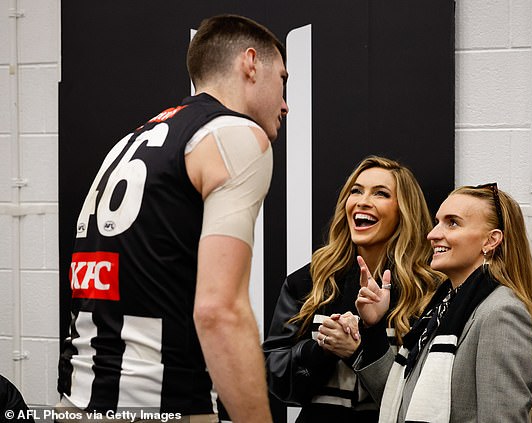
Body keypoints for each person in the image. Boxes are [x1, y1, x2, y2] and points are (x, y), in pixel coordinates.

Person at [57, 14, 288, 423]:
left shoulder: (130, 142)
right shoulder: (233, 133)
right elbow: (219, 311)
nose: (285, 104)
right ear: (251, 64)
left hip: (77, 399)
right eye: (283, 80)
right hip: (161, 403)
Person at [263, 156, 440, 422]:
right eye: (356, 191)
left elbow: (427, 398)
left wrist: (359, 349)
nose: (363, 201)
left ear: (404, 210)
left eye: (381, 193)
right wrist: (321, 350)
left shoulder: (427, 289)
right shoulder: (310, 281)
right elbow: (275, 378)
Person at [355, 183, 532, 422]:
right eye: (438, 222)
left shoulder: (501, 313)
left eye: (452, 222)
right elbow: (400, 402)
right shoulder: (441, 307)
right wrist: (373, 328)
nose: (433, 234)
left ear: (491, 240)